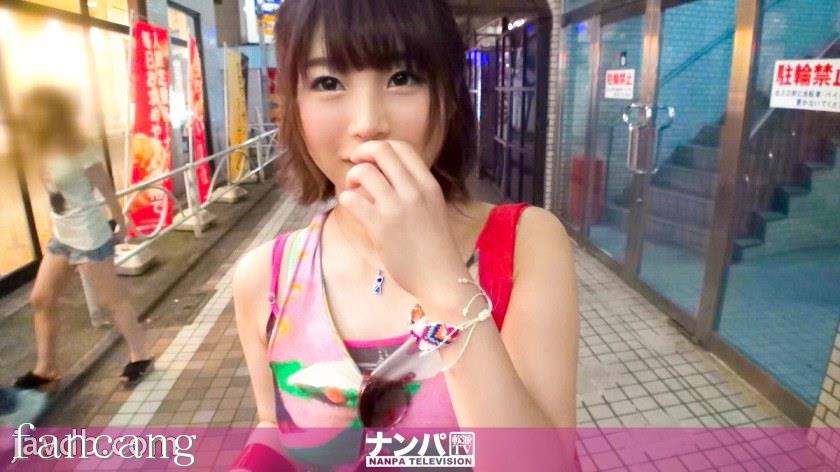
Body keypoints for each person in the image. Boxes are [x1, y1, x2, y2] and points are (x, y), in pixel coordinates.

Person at [232, 0, 579, 469]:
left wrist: (442, 282)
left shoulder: (526, 244)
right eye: (328, 83)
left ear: (449, 97)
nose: (368, 124)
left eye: (403, 78)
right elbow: (274, 424)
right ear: (294, 105)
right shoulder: (265, 279)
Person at [13, 87, 153, 390]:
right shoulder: (40, 146)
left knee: (112, 301)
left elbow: (105, 187)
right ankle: (46, 369)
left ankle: (140, 354)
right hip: (62, 237)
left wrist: (121, 224)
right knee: (41, 298)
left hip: (90, 237)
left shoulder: (79, 147)